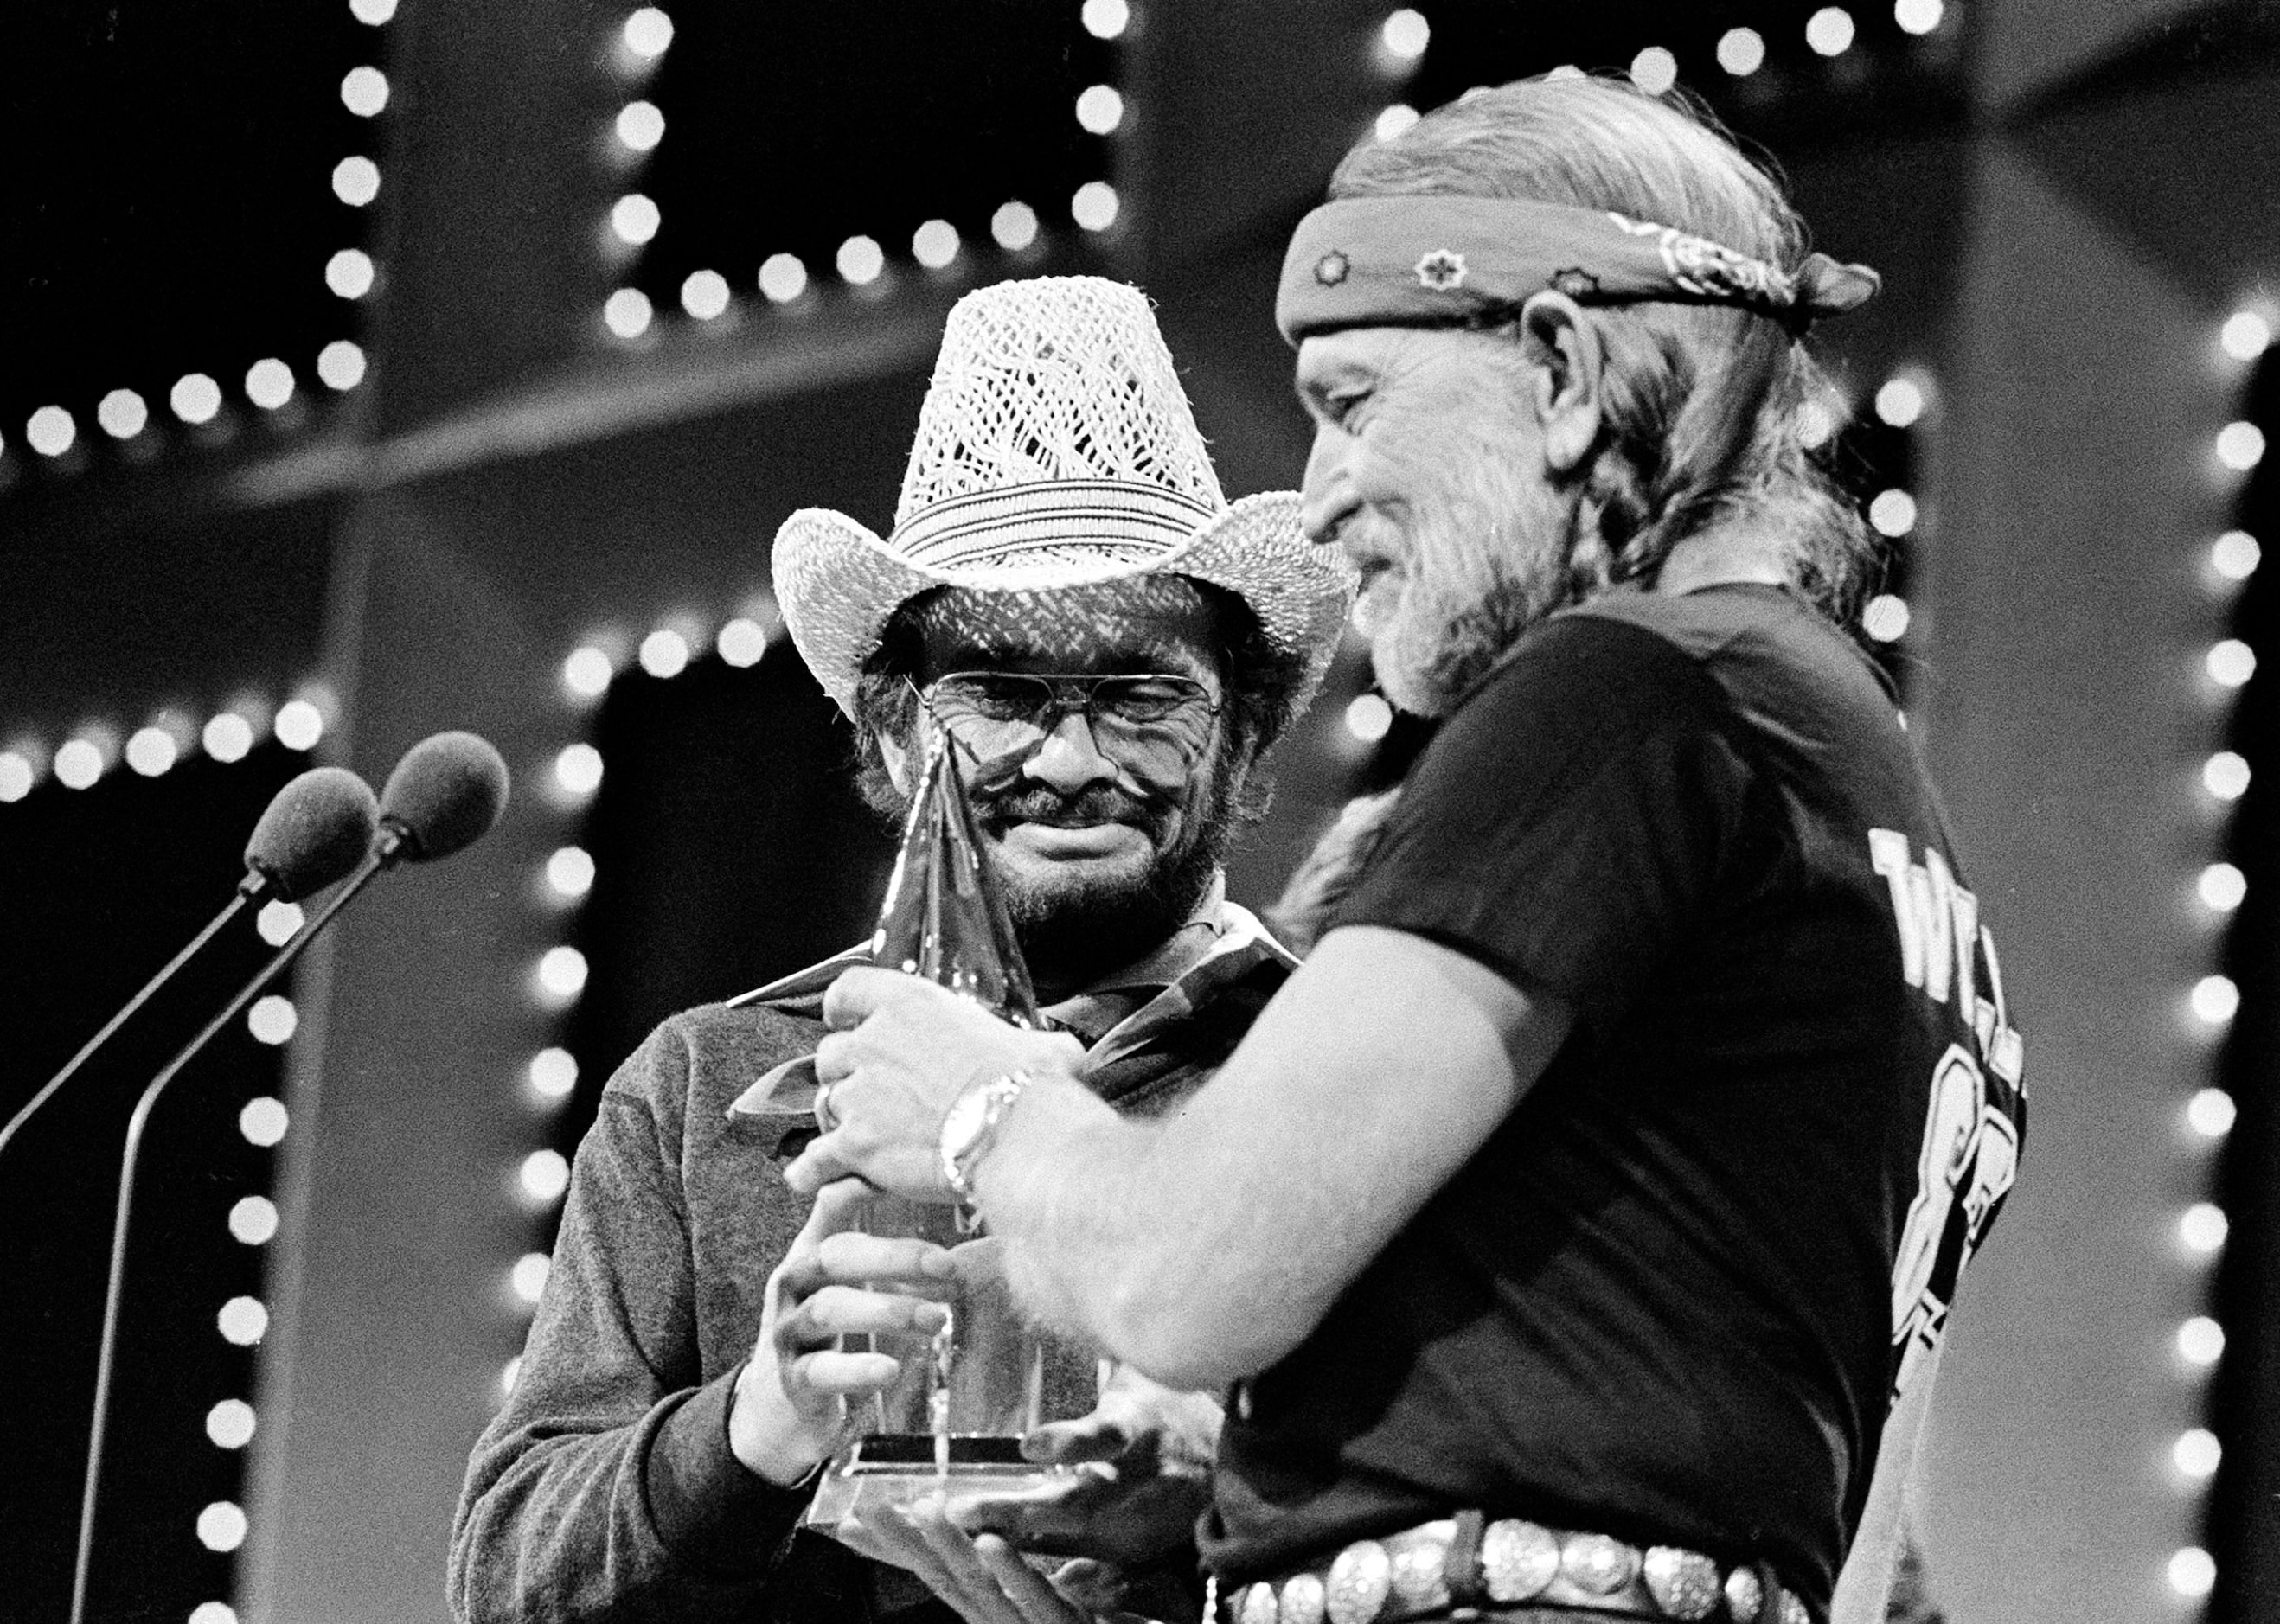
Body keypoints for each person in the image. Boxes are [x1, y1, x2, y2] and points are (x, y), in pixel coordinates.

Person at [785, 74, 2026, 1624]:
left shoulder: (1622, 691)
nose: (1320, 502)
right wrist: (1250, 1500)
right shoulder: (1855, 773)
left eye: (1353, 405)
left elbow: (1188, 1277)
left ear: (1563, 370)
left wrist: (975, 1103)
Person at [446, 275, 1352, 1624]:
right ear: (885, 734)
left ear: (1243, 735)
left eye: (1143, 695)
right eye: (998, 693)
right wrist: (756, 1421)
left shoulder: (1346, 1065)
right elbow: (505, 1581)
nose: (1070, 758)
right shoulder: (706, 1089)